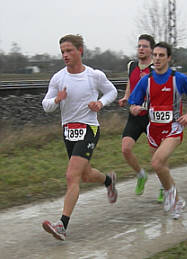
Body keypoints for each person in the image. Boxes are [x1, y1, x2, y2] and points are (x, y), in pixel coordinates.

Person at [41, 34, 118, 241]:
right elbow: (46, 105)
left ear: (80, 50)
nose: (65, 55)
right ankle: (109, 181)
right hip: (68, 131)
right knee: (84, 175)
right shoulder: (58, 78)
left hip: (89, 129)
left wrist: (100, 104)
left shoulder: (94, 76)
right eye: (62, 52)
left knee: (71, 175)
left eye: (69, 51)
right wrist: (57, 99)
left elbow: (112, 92)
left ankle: (62, 225)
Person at [128, 42, 187, 219]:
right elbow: (132, 103)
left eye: (161, 55)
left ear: (168, 58)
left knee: (156, 163)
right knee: (162, 168)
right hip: (153, 129)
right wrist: (135, 109)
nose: (157, 59)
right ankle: (177, 201)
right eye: (155, 55)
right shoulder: (146, 80)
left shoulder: (179, 78)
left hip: (173, 128)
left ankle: (170, 193)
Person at [118, 34, 163, 201]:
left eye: (145, 46)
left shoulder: (157, 68)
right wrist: (126, 98)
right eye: (139, 46)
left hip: (152, 118)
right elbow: (130, 84)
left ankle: (164, 187)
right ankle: (141, 175)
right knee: (125, 149)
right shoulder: (132, 65)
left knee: (157, 157)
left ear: (152, 50)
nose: (141, 49)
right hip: (135, 116)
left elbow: (161, 93)